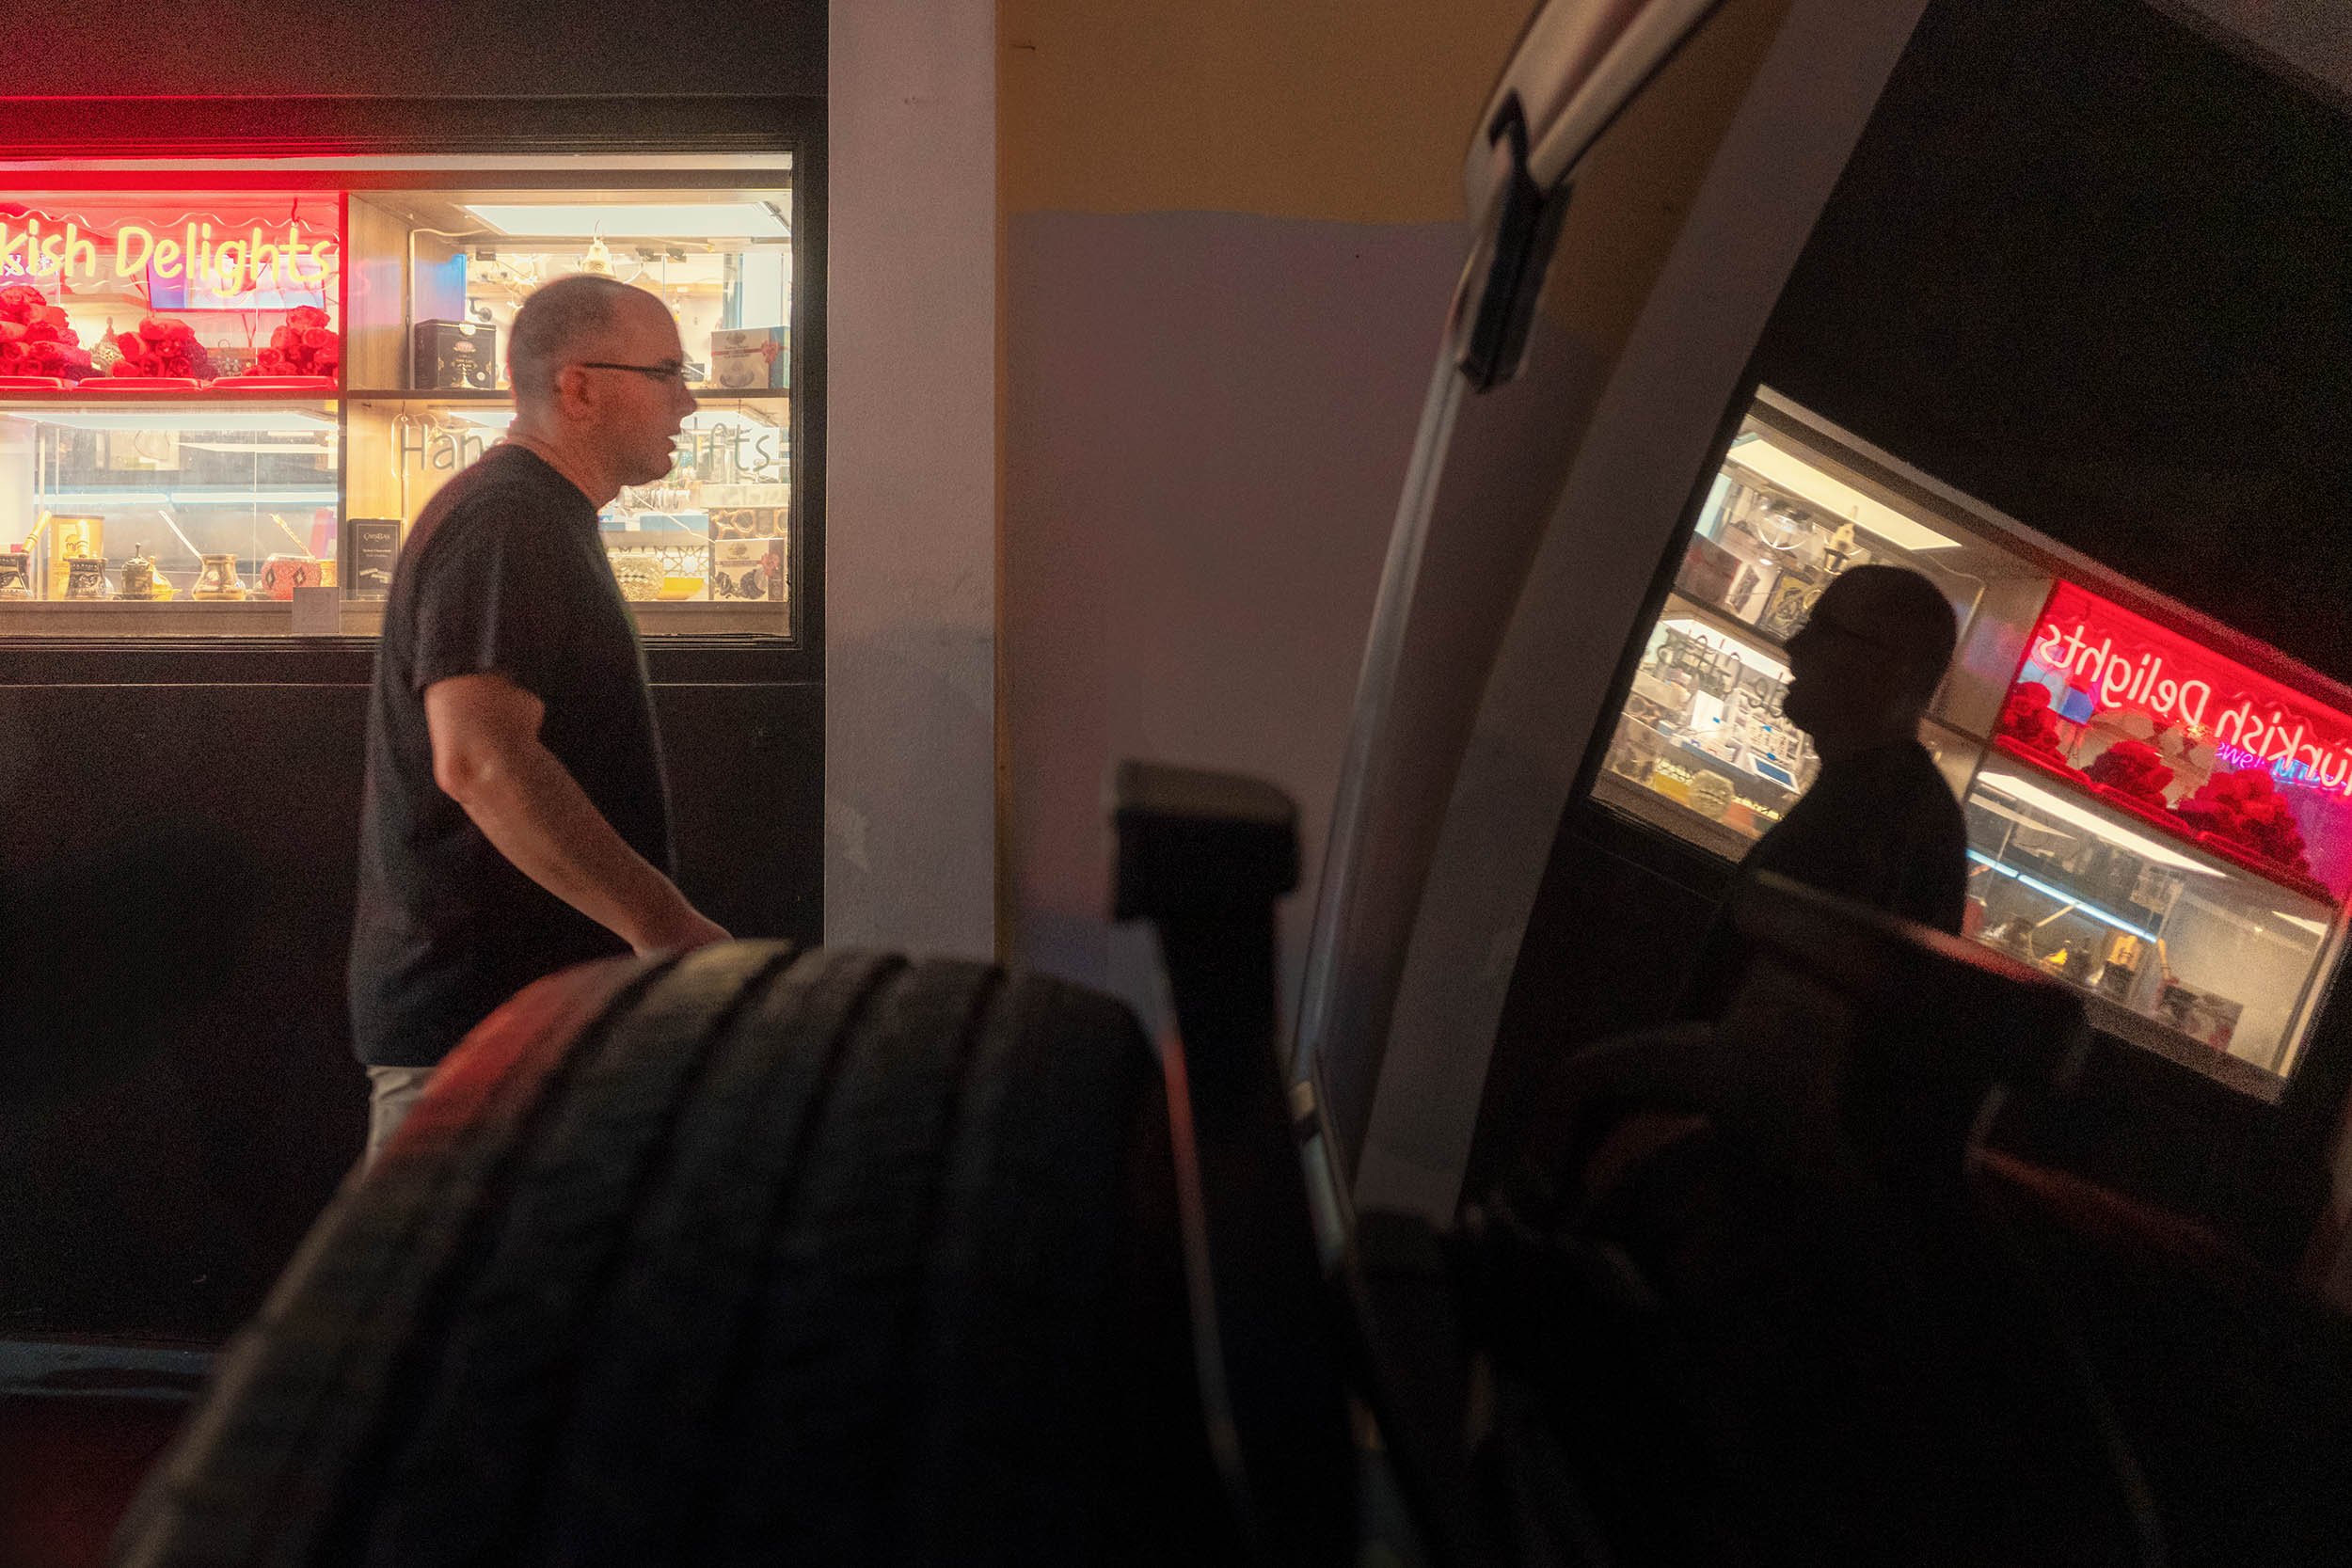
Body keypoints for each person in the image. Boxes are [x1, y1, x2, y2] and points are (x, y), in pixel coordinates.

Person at [347, 275, 728, 1164]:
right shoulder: (508, 522)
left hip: (523, 1020)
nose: (690, 398)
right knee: (429, 1294)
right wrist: (662, 923)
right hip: (483, 1027)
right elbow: (480, 759)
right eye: (666, 371)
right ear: (579, 387)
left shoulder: (539, 517)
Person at [1681, 564, 1968, 1013]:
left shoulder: (1865, 816)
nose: (1793, 645)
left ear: (1894, 669)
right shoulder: (1893, 799)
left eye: (1825, 630)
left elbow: (1783, 1040)